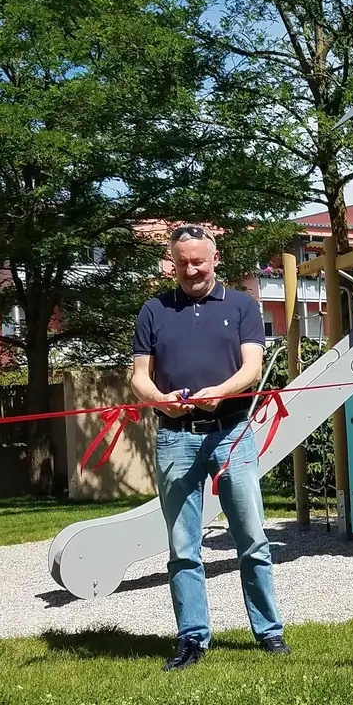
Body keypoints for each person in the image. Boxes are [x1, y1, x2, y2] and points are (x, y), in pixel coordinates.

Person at [131, 223, 288, 671]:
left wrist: (219, 392)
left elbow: (251, 369)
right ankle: (192, 639)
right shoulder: (153, 310)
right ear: (172, 264)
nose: (191, 269)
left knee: (252, 538)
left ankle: (269, 632)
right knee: (183, 547)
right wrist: (161, 401)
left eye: (198, 261)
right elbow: (140, 376)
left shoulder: (242, 305)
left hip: (232, 431)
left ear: (215, 259)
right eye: (182, 263)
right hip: (174, 437)